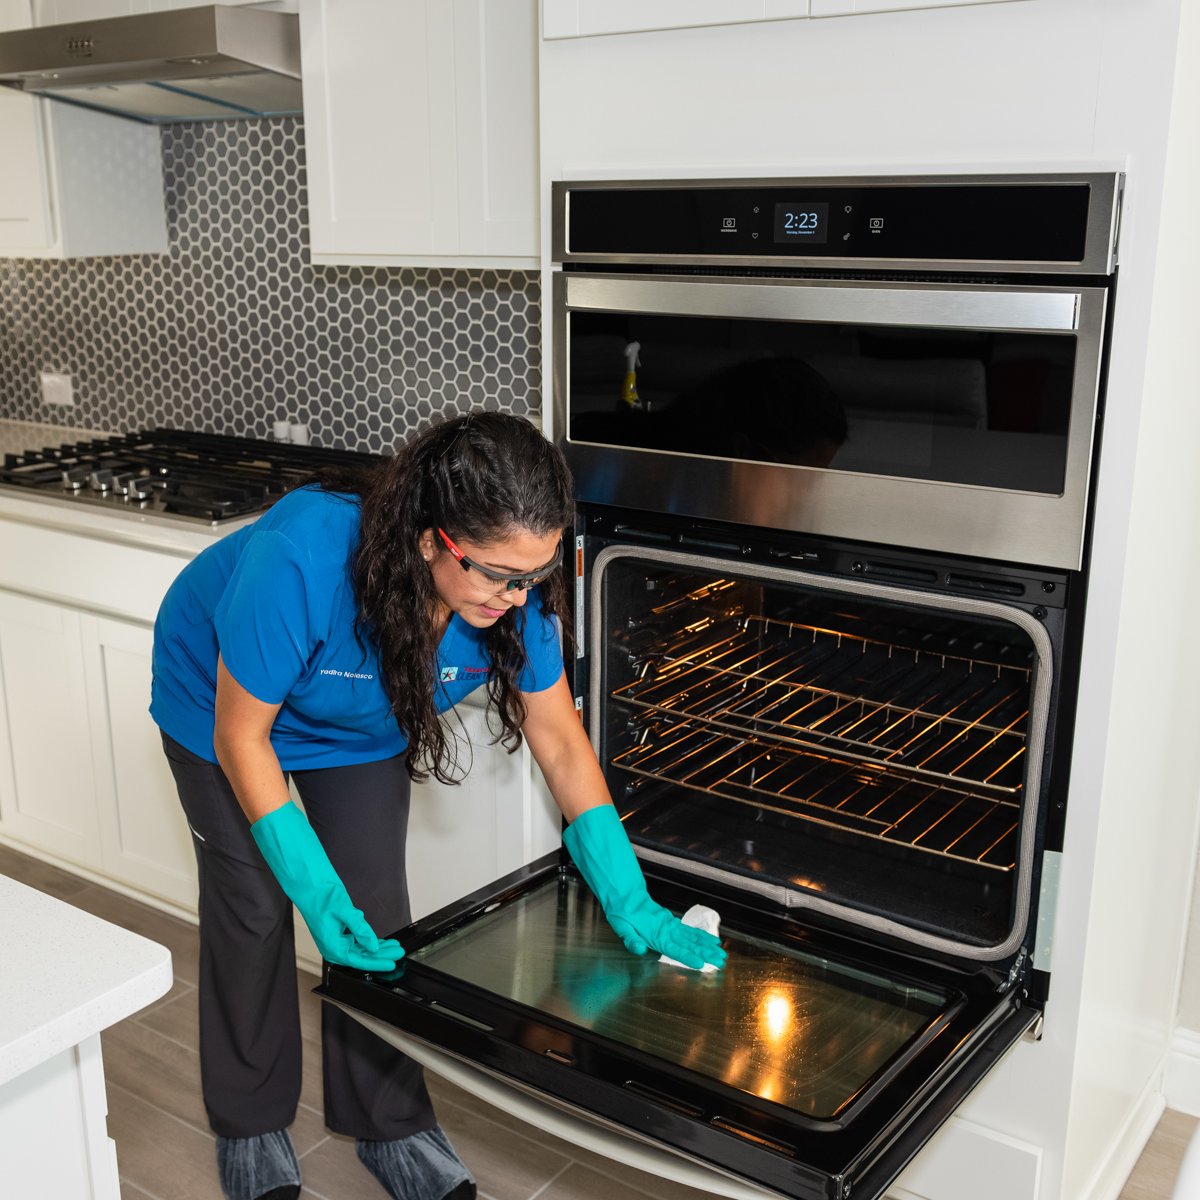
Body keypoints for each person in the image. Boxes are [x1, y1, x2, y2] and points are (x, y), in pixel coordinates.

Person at [149, 411, 726, 1200]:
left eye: (534, 576)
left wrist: (628, 894)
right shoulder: (303, 558)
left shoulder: (517, 596)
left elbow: (559, 739)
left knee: (380, 915)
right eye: (498, 575)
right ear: (430, 540)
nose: (518, 598)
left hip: (358, 723)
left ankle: (389, 1124)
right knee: (252, 908)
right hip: (221, 707)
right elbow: (242, 737)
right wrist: (312, 892)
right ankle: (250, 1124)